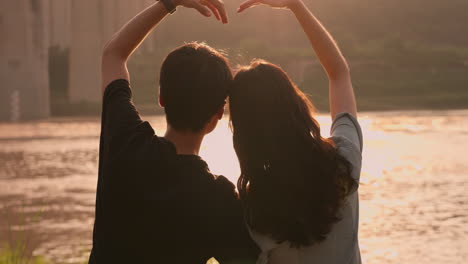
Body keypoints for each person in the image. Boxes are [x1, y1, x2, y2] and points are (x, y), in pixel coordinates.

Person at [89, 0, 259, 263]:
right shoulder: (218, 199)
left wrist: (168, 3)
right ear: (218, 115)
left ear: (161, 97)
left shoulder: (126, 140)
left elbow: (113, 54)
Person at [229, 0, 363, 263]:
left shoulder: (252, 207)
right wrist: (296, 6)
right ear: (297, 105)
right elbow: (338, 73)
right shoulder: (343, 163)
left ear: (242, 131)